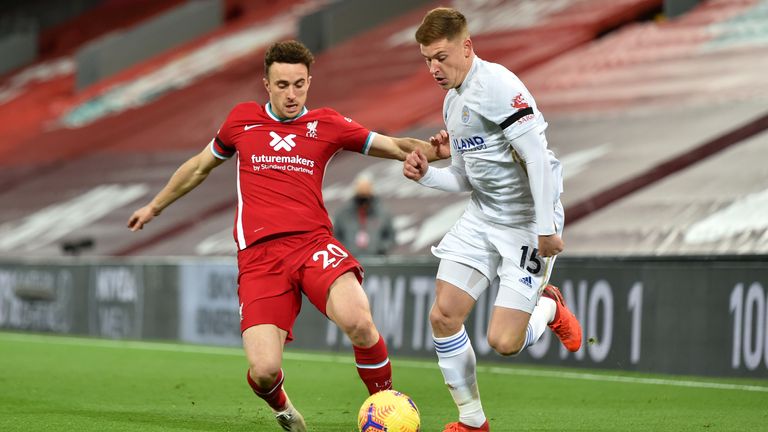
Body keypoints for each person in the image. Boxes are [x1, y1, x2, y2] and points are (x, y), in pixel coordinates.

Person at [127, 40, 448, 432]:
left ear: (309, 82)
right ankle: (284, 410)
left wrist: (432, 153)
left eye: (299, 84)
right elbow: (198, 167)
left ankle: (385, 407)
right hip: (259, 257)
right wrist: (154, 207)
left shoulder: (327, 124)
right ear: (266, 83)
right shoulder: (241, 121)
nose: (291, 94)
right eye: (282, 85)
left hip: (313, 243)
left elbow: (395, 145)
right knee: (263, 371)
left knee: (359, 321)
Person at [403, 8, 583, 432]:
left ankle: (548, 306)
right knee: (443, 316)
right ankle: (472, 422)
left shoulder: (499, 86)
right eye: (427, 59)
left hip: (526, 223)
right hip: (483, 216)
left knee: (504, 343)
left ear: (467, 47)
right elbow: (465, 178)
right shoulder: (452, 101)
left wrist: (545, 227)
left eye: (441, 56)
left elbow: (538, 158)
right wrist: (427, 174)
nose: (434, 68)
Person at [333, 173, 396, 257]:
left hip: (375, 261)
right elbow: (335, 236)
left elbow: (390, 236)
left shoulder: (383, 214)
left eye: (366, 192)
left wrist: (380, 249)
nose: (364, 197)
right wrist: (344, 250)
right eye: (361, 193)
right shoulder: (343, 214)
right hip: (349, 260)